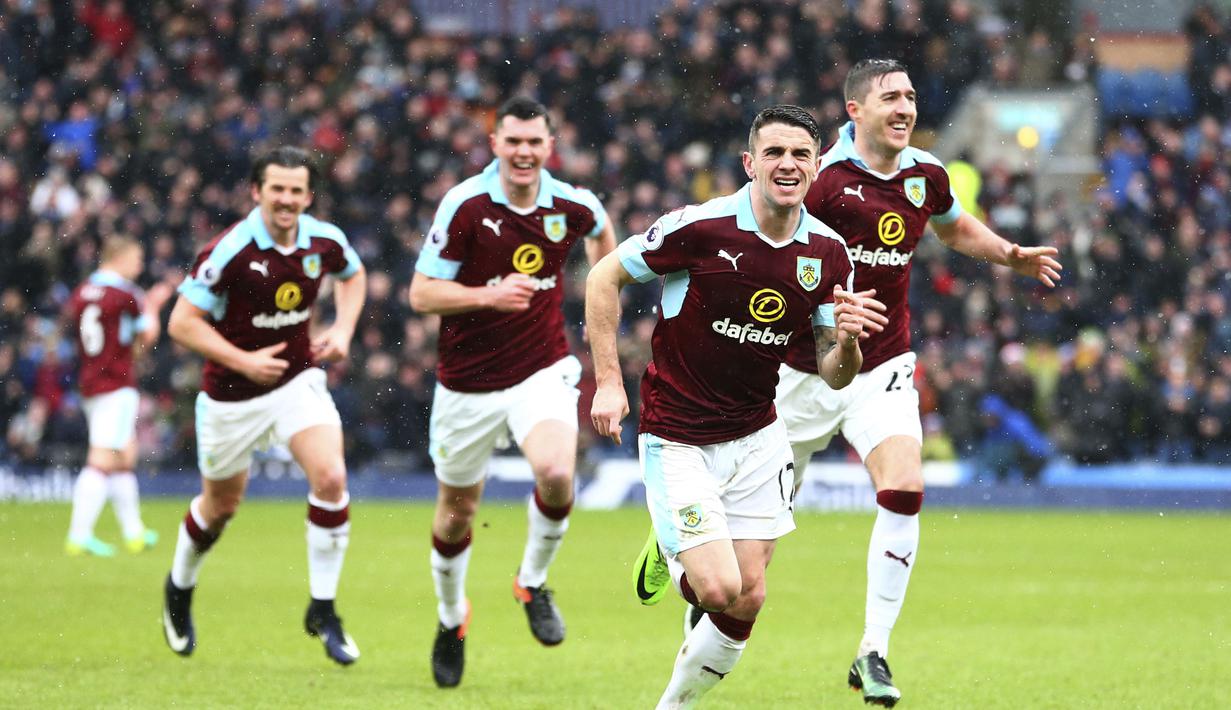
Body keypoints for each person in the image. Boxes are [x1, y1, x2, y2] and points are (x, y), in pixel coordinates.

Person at [777, 59, 1063, 706]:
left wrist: (1008, 255)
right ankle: (682, 544)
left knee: (904, 487)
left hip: (882, 365)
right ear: (855, 111)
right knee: (749, 556)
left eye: (909, 95)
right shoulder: (819, 181)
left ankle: (872, 651)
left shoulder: (924, 174)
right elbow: (775, 261)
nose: (905, 107)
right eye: (889, 98)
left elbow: (954, 226)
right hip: (799, 373)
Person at [588, 105, 885, 709]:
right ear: (751, 163)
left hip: (757, 436)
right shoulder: (699, 228)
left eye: (801, 154)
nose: (788, 164)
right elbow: (602, 277)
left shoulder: (828, 254)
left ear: (817, 166)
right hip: (678, 436)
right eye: (774, 153)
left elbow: (833, 374)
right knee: (717, 586)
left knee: (749, 596)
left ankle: (671, 706)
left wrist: (849, 340)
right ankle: (673, 552)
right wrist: (608, 384)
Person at [410, 96, 617, 689]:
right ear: (495, 143)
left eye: (535, 142)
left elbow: (606, 241)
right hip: (466, 384)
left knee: (556, 471)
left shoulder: (572, 204)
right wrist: (487, 295)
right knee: (457, 515)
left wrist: (596, 291)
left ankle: (531, 580)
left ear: (550, 146)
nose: (524, 152)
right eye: (513, 142)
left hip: (540, 368)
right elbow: (422, 294)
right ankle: (452, 620)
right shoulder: (466, 204)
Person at [160, 146, 367, 666]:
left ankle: (323, 608)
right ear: (256, 192)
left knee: (331, 478)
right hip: (231, 396)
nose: (286, 199)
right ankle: (179, 587)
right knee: (220, 508)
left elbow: (353, 275)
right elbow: (181, 323)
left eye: (296, 190)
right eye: (277, 188)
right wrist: (243, 361)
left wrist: (342, 329)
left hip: (297, 382)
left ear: (308, 196)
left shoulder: (324, 240)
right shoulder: (229, 250)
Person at [63, 235, 173, 557]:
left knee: (125, 454)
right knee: (102, 458)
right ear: (120, 257)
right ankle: (79, 535)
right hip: (116, 382)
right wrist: (153, 306)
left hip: (90, 379)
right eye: (137, 259)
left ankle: (133, 532)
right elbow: (147, 336)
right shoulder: (127, 294)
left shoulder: (82, 291)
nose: (139, 267)